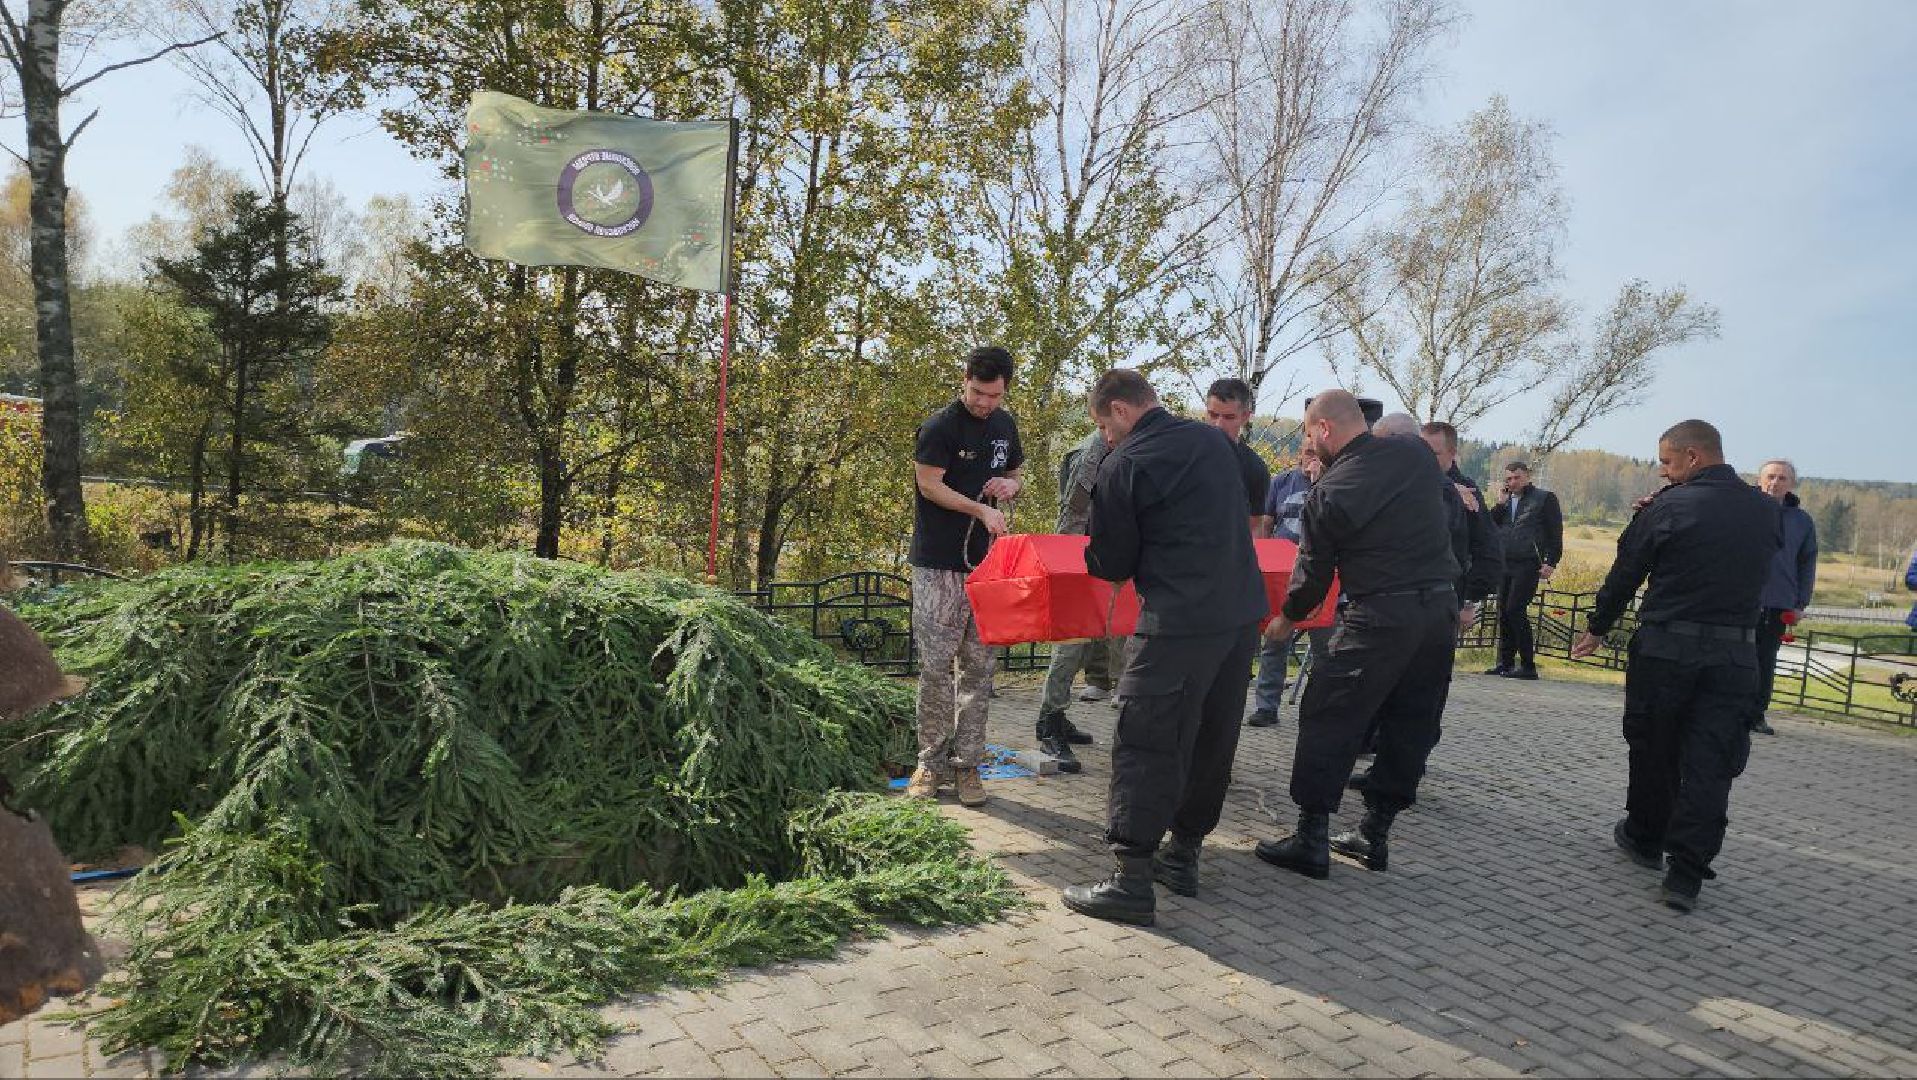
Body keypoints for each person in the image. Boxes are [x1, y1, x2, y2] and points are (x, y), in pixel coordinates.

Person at [1060, 369, 1266, 926]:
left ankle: (1130, 879)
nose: (1105, 437)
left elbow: (1114, 562)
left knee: (1147, 737)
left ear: (1122, 412)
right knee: (1211, 737)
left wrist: (1091, 557)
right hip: (1240, 615)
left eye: (1105, 425)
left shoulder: (1125, 464)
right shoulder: (1216, 443)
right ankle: (1183, 854)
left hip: (1177, 620)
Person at [1571, 420, 1779, 913]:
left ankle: (1645, 837)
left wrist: (1598, 625)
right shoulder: (1767, 511)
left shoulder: (1668, 506)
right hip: (1735, 655)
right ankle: (1686, 872)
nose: (1663, 472)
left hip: (1668, 648)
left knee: (1653, 746)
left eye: (1666, 462)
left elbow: (1627, 569)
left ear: (1691, 457)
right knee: (1712, 761)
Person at [1254, 391, 1460, 880]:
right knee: (1412, 716)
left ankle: (1311, 837)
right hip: (1439, 610)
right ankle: (1375, 830)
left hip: (1380, 614)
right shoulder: (1413, 454)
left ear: (1324, 428)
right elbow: (1448, 508)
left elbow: (1313, 571)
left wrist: (1286, 618)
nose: (1308, 442)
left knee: (1330, 714)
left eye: (1308, 432)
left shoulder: (1332, 489)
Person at [906, 346, 1024, 806]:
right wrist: (977, 507)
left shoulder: (1004, 425)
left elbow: (1014, 473)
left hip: (986, 564)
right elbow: (928, 484)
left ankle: (969, 765)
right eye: (977, 392)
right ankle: (929, 763)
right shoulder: (940, 427)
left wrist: (1010, 486)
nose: (983, 403)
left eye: (993, 395)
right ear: (965, 379)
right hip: (939, 563)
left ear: (1004, 389)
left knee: (979, 667)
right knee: (936, 668)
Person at [1033, 427, 1121, 771]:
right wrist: (1068, 568)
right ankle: (1049, 723)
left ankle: (1058, 715)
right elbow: (1072, 515)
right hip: (1078, 558)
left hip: (1100, 558)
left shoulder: (1113, 445)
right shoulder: (1091, 452)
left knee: (1089, 640)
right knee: (1070, 643)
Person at [1247, 448, 1326, 728]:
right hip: (1283, 573)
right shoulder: (1282, 482)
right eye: (1306, 452)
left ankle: (1320, 712)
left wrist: (1319, 482)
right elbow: (1265, 525)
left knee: (1325, 647)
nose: (1310, 457)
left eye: (1314, 452)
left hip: (1321, 574)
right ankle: (1266, 707)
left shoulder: (1334, 483)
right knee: (1275, 639)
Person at [1750, 459, 1817, 736]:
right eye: (1770, 477)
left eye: (1782, 478)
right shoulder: (1744, 511)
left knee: (1765, 661)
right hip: (1741, 599)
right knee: (1734, 658)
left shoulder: (1801, 521)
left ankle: (1756, 714)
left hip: (1778, 602)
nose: (1775, 483)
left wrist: (1800, 603)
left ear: (1791, 484)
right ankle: (1726, 711)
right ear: (1759, 480)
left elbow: (1807, 562)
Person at [1486, 461, 1563, 680]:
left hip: (1529, 563)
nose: (1512, 482)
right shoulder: (1505, 501)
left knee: (1515, 609)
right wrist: (1500, 504)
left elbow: (1555, 533)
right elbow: (1489, 526)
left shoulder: (1544, 498)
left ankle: (1528, 666)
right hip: (1505, 562)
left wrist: (1551, 561)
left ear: (1527, 476)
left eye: (1517, 477)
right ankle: (1505, 663)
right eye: (1508, 479)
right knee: (1503, 610)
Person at [1203, 377, 1272, 536]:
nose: (1218, 424)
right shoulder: (1183, 455)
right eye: (1213, 415)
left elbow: (1254, 527)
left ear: (1245, 417)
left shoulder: (1254, 469)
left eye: (1228, 417)